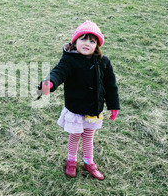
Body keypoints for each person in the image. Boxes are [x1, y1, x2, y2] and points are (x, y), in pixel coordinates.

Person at [39, 20, 120, 180]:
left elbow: (111, 85)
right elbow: (58, 72)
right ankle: (71, 160)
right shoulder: (69, 60)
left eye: (92, 41)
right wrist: (50, 83)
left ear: (97, 45)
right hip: (76, 109)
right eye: (83, 39)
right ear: (75, 41)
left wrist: (113, 105)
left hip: (93, 110)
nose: (87, 43)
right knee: (75, 136)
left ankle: (88, 162)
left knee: (89, 136)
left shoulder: (103, 62)